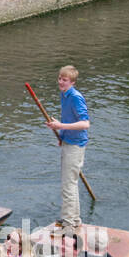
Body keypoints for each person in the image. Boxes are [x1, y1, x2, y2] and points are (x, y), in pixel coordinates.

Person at [45, 65, 89, 232]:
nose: (61, 82)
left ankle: (68, 225)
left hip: (76, 145)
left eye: (65, 80)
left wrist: (61, 125)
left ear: (72, 82)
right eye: (60, 79)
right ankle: (74, 220)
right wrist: (61, 133)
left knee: (68, 185)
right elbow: (69, 118)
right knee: (71, 183)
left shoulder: (76, 97)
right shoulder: (64, 95)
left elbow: (85, 123)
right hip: (68, 141)